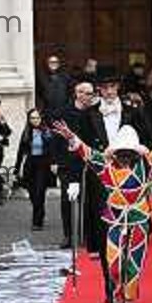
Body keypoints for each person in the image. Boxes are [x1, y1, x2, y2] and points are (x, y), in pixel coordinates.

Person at [53, 119, 152, 303]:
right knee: (115, 267)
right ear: (115, 152)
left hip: (139, 222)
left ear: (135, 152)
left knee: (133, 267)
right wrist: (70, 136)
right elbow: (86, 151)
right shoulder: (104, 166)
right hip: (115, 222)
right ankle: (117, 301)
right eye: (121, 152)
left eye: (129, 152)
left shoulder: (146, 163)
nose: (125, 156)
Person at [79, 66, 152, 303]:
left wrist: (144, 162)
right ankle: (110, 288)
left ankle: (130, 285)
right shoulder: (88, 114)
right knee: (106, 236)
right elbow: (80, 149)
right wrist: (72, 179)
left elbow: (150, 142)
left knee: (132, 237)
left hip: (130, 180)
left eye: (113, 86)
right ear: (99, 90)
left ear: (118, 88)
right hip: (101, 182)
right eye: (105, 87)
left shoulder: (134, 112)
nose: (110, 91)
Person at [55, 81, 95, 247]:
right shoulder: (63, 112)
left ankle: (86, 236)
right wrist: (55, 161)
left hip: (88, 163)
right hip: (67, 163)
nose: (89, 97)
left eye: (91, 94)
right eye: (86, 93)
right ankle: (68, 236)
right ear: (77, 93)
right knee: (67, 200)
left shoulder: (94, 113)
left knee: (88, 201)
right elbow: (56, 139)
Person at [15, 109, 55, 230]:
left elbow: (53, 150)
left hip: (43, 164)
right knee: (32, 193)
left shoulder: (47, 131)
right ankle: (40, 211)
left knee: (39, 193)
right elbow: (20, 151)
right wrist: (16, 169)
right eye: (32, 118)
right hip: (30, 164)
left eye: (37, 118)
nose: (35, 120)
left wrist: (54, 163)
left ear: (41, 118)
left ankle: (37, 222)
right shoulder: (27, 132)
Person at [36, 54, 72, 119]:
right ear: (47, 64)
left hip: (63, 110)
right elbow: (39, 94)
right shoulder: (41, 77)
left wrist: (67, 106)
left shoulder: (65, 77)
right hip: (48, 110)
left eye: (55, 62)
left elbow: (70, 92)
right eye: (51, 62)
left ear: (58, 64)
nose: (53, 64)